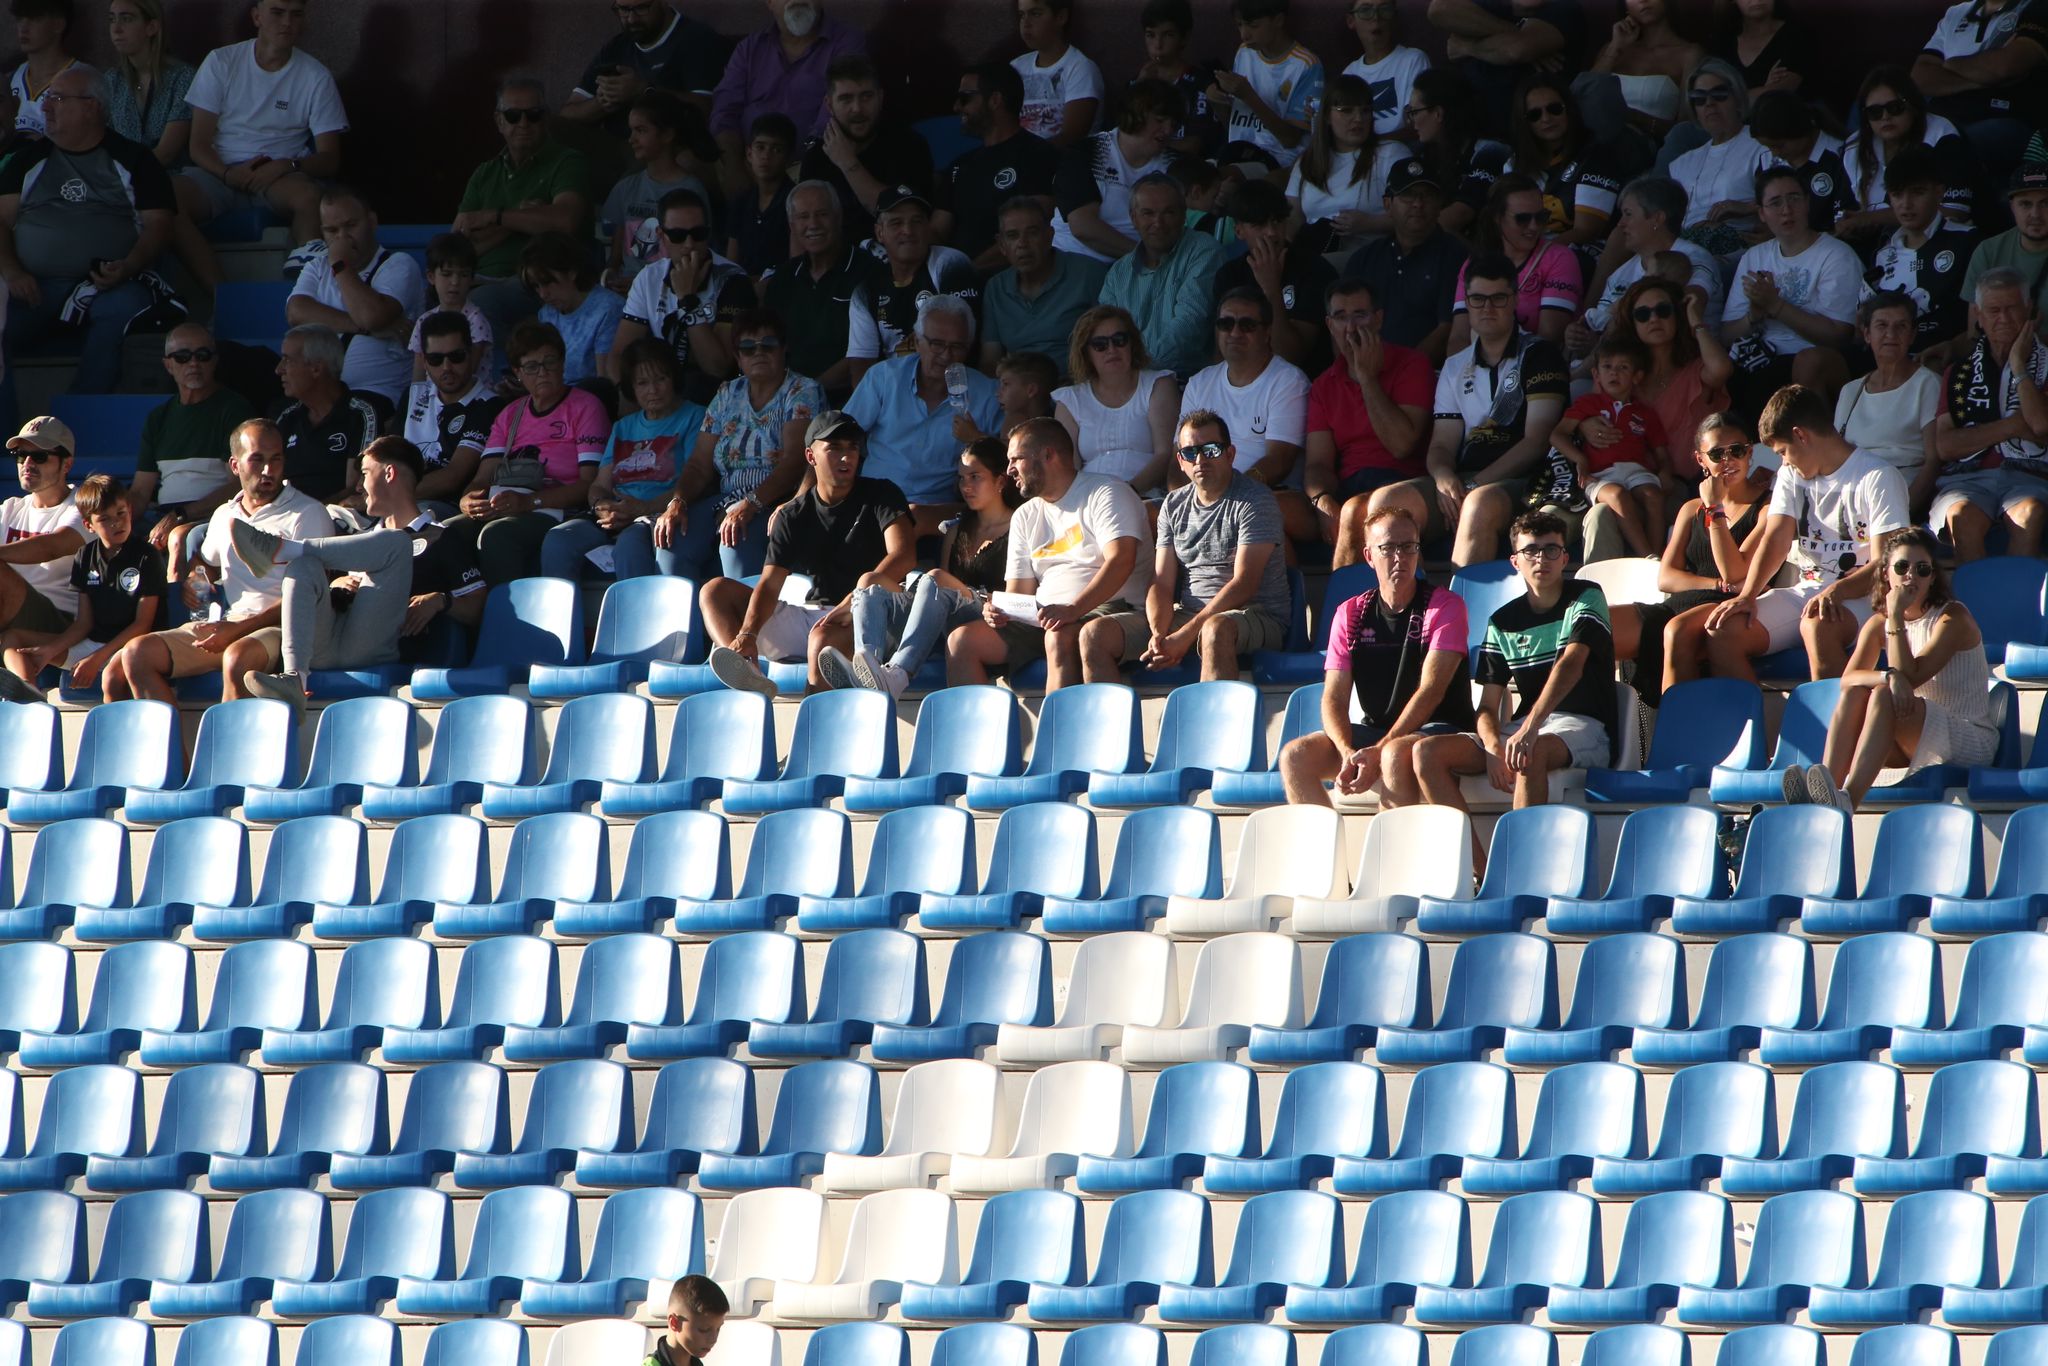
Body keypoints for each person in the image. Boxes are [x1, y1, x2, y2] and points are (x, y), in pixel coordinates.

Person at [235, 435, 487, 709]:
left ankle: (283, 550)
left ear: (389, 473)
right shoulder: (360, 539)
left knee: (397, 541)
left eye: (365, 473)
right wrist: (337, 585)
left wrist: (440, 600)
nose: (358, 486)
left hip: (380, 649)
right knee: (303, 566)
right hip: (327, 645)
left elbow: (476, 609)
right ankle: (295, 678)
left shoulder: (440, 537)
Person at [1414, 510, 1617, 831]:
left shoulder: (1586, 595)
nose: (1542, 559)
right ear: (1515, 561)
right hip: (1524, 728)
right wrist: (1494, 746)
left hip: (1585, 726)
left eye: (1551, 550)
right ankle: (1476, 869)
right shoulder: (1502, 621)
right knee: (1426, 752)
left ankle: (1517, 869)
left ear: (1565, 558)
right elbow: (1487, 706)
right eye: (1531, 551)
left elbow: (1571, 665)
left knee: (1529, 751)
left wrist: (1529, 729)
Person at [115, 418, 334, 702]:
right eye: (257, 459)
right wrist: (195, 578)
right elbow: (206, 563)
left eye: (276, 459)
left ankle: (227, 747)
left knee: (236, 658)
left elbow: (309, 597)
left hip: (283, 631)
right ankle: (177, 748)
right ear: (235, 466)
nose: (268, 470)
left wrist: (236, 630)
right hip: (232, 624)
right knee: (136, 655)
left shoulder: (308, 513)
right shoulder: (224, 514)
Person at [1704, 383, 1910, 682]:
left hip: (1866, 597)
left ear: (1801, 435)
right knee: (1722, 629)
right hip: (1809, 591)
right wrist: (1748, 595)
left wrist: (1836, 591)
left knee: (1817, 625)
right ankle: (1760, 726)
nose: (1783, 462)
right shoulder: (1790, 474)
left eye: (1784, 451)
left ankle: (1835, 726)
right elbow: (1775, 538)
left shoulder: (1878, 476)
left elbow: (1888, 565)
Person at [702, 409, 914, 694]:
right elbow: (769, 584)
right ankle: (746, 667)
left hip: (869, 615)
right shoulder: (793, 514)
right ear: (811, 456)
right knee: (714, 591)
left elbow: (903, 556)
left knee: (822, 639)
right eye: (834, 448)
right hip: (815, 614)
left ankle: (815, 730)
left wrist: (856, 597)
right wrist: (747, 635)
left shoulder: (882, 494)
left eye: (852, 448)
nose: (847, 457)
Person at [0, 64, 173, 411]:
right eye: (47, 98)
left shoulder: (135, 160)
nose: (45, 107)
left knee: (122, 307)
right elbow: (1, 223)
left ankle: (77, 416)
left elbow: (159, 226)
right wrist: (13, 272)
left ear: (92, 106)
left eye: (58, 99)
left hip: (107, 284)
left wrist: (128, 266)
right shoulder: (25, 161)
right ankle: (6, 439)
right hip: (35, 287)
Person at [1380, 252, 1570, 567]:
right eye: (1478, 299)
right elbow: (1442, 443)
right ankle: (1393, 610)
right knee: (1387, 503)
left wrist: (1473, 486)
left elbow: (1537, 442)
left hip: (1527, 479)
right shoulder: (1455, 366)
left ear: (1514, 300)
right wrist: (1443, 478)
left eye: (1498, 298)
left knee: (1478, 504)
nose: (1488, 308)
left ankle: (1458, 611)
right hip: (1469, 477)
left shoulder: (1540, 355)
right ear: (1466, 302)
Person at [1279, 503, 1475, 806]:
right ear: (1369, 556)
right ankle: (1321, 850)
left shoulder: (1444, 606)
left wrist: (1380, 747)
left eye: (1409, 547)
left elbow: (1431, 691)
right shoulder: (1351, 612)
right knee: (1295, 756)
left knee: (1394, 754)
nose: (1400, 558)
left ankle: (1391, 852)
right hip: (1377, 730)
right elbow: (1333, 696)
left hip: (1440, 728)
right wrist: (1347, 751)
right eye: (1389, 548)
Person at [1794, 526, 1996, 813]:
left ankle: (1847, 800)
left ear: (1933, 577)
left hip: (1967, 738)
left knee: (1881, 695)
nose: (1911, 575)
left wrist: (1896, 617)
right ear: (1886, 573)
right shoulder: (1878, 623)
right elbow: (1848, 680)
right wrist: (1886, 675)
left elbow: (1909, 677)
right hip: (1911, 730)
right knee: (1857, 694)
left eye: (1922, 569)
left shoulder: (1953, 617)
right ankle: (1827, 794)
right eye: (1902, 566)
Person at [1080, 409, 1290, 681]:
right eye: (1190, 453)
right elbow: (1161, 582)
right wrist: (1158, 634)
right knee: (1094, 635)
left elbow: (1245, 584)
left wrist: (1185, 634)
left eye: (1211, 450)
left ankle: (1213, 724)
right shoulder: (1173, 504)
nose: (1200, 460)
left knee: (1214, 630)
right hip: (1190, 615)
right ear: (1180, 461)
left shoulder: (1255, 500)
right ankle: (1108, 724)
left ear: (1230, 454)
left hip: (1258, 615)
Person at [944, 416, 1148, 690]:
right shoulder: (1025, 515)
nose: (1009, 470)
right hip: (1045, 616)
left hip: (1110, 609)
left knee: (1058, 636)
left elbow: (1121, 561)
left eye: (1016, 459)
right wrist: (1001, 611)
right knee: (962, 641)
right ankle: (975, 733)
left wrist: (1072, 610)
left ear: (1047, 455)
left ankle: (1057, 732)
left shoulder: (1106, 492)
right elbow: (1019, 593)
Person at [822, 436, 1018, 696]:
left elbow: (1015, 590)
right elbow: (944, 595)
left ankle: (897, 675)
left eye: (975, 477)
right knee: (870, 582)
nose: (966, 486)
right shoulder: (957, 529)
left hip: (988, 612)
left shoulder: (1019, 525)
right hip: (947, 613)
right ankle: (867, 666)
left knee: (934, 576)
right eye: (961, 478)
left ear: (1000, 481)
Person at [654, 307, 818, 582]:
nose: (759, 353)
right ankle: (686, 625)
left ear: (783, 350)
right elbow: (698, 464)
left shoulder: (802, 390)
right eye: (748, 347)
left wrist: (751, 503)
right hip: (726, 497)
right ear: (737, 357)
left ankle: (743, 623)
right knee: (670, 541)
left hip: (774, 498)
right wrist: (677, 502)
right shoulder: (727, 393)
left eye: (768, 345)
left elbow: (794, 461)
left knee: (735, 539)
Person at [182, 0, 343, 268]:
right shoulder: (221, 61)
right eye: (278, 12)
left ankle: (306, 289)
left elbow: (330, 158)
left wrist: (286, 166)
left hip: (279, 177)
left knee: (310, 198)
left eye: (296, 14)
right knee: (165, 201)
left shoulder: (316, 76)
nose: (287, 22)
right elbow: (198, 145)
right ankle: (218, 295)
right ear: (257, 17)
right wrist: (227, 173)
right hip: (220, 173)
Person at [450, 321, 612, 585]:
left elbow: (589, 483)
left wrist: (530, 502)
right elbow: (482, 478)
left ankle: (507, 620)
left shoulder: (585, 407)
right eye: (532, 367)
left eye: (550, 362)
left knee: (497, 535)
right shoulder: (510, 414)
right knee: (448, 532)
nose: (543, 373)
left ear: (562, 363)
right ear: (517, 373)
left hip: (557, 510)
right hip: (504, 503)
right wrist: (468, 500)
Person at [541, 340, 704, 581]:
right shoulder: (622, 427)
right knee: (558, 539)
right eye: (642, 383)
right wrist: (602, 508)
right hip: (617, 513)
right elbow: (599, 484)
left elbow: (695, 479)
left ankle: (635, 618)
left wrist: (642, 509)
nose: (653, 390)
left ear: (674, 379)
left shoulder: (695, 417)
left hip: (660, 512)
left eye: (660, 379)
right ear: (632, 388)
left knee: (630, 543)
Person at [843, 294, 1000, 535]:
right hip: (873, 506)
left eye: (956, 346)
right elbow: (839, 437)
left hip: (939, 513)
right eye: (937, 344)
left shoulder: (986, 393)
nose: (946, 355)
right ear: (917, 342)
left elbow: (1006, 463)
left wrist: (976, 440)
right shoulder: (884, 378)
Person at [453, 76, 592, 345]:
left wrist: (492, 217)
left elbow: (564, 221)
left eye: (534, 115)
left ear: (546, 118)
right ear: (499, 121)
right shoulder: (485, 173)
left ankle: (512, 381)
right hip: (481, 277)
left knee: (480, 302)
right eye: (514, 115)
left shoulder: (568, 162)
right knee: (439, 296)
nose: (524, 124)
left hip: (540, 281)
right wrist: (516, 218)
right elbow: (460, 249)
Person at [1, 474, 161, 702]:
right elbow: (83, 623)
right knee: (13, 639)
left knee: (111, 678)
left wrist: (96, 658)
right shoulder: (85, 557)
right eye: (105, 519)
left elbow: (142, 624)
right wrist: (51, 650)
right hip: (91, 644)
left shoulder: (146, 555)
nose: (116, 523)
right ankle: (29, 696)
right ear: (89, 526)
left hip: (130, 646)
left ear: (130, 510)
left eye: (121, 513)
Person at [1307, 278, 1434, 565]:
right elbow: (1317, 463)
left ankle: (1339, 610)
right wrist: (1323, 500)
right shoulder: (1323, 385)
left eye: (1359, 315)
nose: (1350, 327)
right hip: (1347, 484)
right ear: (1329, 325)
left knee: (1353, 511)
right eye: (1340, 317)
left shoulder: (1412, 364)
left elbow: (1401, 445)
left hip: (1403, 482)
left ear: (1378, 319)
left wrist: (1367, 376)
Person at [1648, 410, 1777, 691]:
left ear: (1750, 453)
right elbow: (1666, 578)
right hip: (1689, 600)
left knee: (1675, 631)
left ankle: (1674, 730)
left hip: (1733, 605)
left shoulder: (1768, 508)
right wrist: (1718, 583)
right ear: (1701, 459)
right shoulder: (1690, 508)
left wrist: (1715, 509)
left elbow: (1736, 570)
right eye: (1718, 454)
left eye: (1737, 451)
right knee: (1603, 626)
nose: (1729, 461)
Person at [1928, 267, 2048, 559]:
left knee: (2029, 515)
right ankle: (1972, 605)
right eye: (1994, 310)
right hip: (1967, 480)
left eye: (2012, 309)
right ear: (1979, 316)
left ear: (2029, 310)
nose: (2003, 319)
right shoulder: (1959, 373)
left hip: (2030, 477)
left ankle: (2017, 601)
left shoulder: (2046, 363)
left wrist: (2019, 365)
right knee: (1962, 517)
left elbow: (2042, 427)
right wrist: (2013, 425)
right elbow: (1945, 446)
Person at [1719, 163, 1861, 408]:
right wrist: (1753, 316)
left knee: (1795, 369)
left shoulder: (1836, 255)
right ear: (1761, 213)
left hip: (1808, 358)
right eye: (1775, 203)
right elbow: (1727, 335)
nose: (1786, 210)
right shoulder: (1754, 256)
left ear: (1807, 202)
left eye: (1794, 199)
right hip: (1759, 358)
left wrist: (1776, 306)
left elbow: (1839, 336)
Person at [1181, 287, 1314, 540]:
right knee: (1143, 515)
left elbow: (1279, 461)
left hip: (1272, 494)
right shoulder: (1199, 383)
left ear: (1267, 332)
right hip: (1205, 495)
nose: (1235, 332)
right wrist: (1183, 502)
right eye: (1226, 323)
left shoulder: (1288, 381)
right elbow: (1180, 460)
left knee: (1251, 515)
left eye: (1247, 325)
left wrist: (1228, 495)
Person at [102, 0, 216, 290]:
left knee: (158, 205)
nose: (116, 28)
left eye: (127, 19)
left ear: (152, 27)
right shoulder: (111, 82)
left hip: (176, 176)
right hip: (123, 182)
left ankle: (214, 296)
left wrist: (123, 182)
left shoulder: (183, 78)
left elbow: (166, 153)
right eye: (112, 19)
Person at [285, 185, 426, 406]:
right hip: (321, 395)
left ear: (372, 221)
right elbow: (296, 312)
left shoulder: (399, 264)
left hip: (377, 395)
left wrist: (341, 265)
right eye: (332, 231)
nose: (343, 238)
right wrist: (364, 328)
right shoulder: (317, 266)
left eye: (350, 226)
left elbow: (372, 316)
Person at [710, 0, 864, 191]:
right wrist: (735, 166)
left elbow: (835, 116)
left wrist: (778, 170)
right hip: (744, 162)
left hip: (807, 166)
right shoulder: (749, 49)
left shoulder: (845, 44)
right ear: (770, 3)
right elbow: (724, 112)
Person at [133, 324, 254, 556]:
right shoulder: (158, 417)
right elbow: (140, 492)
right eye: (182, 357)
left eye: (202, 355)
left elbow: (239, 485)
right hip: (165, 518)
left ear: (215, 360)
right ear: (168, 365)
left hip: (213, 518)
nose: (193, 363)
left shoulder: (234, 410)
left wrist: (182, 515)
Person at [614, 188, 746, 396]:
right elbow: (621, 353)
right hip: (659, 389)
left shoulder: (732, 279)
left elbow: (718, 368)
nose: (689, 244)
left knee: (695, 384)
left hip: (715, 394)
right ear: (661, 236)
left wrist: (687, 299)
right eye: (678, 235)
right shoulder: (648, 277)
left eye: (698, 234)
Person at [1552, 336, 1672, 556]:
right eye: (1607, 367)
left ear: (1637, 377)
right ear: (1596, 374)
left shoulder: (1645, 413)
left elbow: (1661, 452)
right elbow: (1557, 435)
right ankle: (1648, 557)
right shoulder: (1588, 404)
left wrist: (1665, 471)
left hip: (1637, 471)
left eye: (1623, 368)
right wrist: (1580, 459)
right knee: (1617, 495)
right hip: (1598, 475)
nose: (1614, 373)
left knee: (1653, 496)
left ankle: (1659, 558)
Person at [795, 54, 933, 244]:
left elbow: (900, 217)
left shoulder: (909, 146)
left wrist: (847, 162)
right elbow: (800, 230)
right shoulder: (816, 157)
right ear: (829, 105)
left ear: (881, 97)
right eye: (846, 99)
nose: (857, 109)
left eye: (866, 97)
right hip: (835, 264)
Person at [846, 185, 979, 383]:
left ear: (928, 227)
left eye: (916, 221)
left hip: (952, 383)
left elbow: (960, 341)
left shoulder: (949, 263)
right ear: (880, 233)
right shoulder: (865, 291)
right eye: (896, 223)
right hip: (893, 390)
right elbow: (861, 361)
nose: (907, 231)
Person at [1343, 156, 1468, 365]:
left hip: (1428, 376)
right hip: (1365, 371)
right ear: (1387, 204)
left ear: (1439, 205)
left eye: (1427, 196)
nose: (1418, 204)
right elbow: (1342, 324)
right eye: (1408, 195)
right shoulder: (1363, 259)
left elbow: (1447, 328)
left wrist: (1405, 372)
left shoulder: (1456, 256)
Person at [1099, 174, 1224, 379]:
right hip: (1128, 380)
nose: (1158, 223)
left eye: (1169, 213)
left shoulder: (1204, 251)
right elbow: (1105, 332)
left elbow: (1189, 325)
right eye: (1148, 213)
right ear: (1133, 218)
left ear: (1184, 215)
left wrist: (1136, 370)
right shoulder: (1118, 272)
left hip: (1187, 381)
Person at [1602, 275, 1732, 473]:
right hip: (1624, 480)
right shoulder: (1621, 373)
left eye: (1663, 311)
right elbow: (1593, 410)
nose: (1654, 319)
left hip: (1682, 488)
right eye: (1643, 314)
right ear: (1632, 323)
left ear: (1677, 316)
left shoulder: (1696, 370)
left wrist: (1695, 321)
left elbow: (1721, 368)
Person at [938, 61, 1060, 271]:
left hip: (1010, 282)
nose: (957, 107)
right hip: (955, 284)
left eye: (965, 98)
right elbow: (937, 230)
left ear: (995, 100)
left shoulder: (1039, 156)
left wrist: (968, 273)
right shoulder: (960, 165)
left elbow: (1032, 233)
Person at [1910, 0, 2048, 185]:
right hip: (1945, 115)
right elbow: (1920, 76)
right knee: (1869, 113)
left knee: (1949, 146)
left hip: (2003, 118)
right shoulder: (1956, 13)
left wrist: (1949, 64)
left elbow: (2006, 66)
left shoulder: (2036, 6)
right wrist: (1985, 79)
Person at [1859, 146, 1976, 365]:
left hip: (1944, 364)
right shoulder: (1883, 253)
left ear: (1939, 192)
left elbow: (1982, 324)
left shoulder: (1968, 241)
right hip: (1886, 364)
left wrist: (1954, 347)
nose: (1906, 204)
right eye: (1897, 194)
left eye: (1917, 192)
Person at [1446, 173, 1581, 354]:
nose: (1533, 226)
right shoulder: (1475, 263)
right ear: (1497, 217)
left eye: (1541, 217)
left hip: (1534, 369)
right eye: (1523, 219)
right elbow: (1459, 337)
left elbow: (1549, 337)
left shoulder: (1559, 259)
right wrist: (1462, 377)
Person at [1048, 77, 1180, 262]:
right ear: (1136, 115)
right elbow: (1083, 227)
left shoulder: (1173, 163)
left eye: (1173, 125)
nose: (1167, 130)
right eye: (1159, 121)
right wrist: (1146, 256)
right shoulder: (1087, 152)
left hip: (1137, 268)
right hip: (1077, 259)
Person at [1576, 176, 1721, 343]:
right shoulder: (1620, 273)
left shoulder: (1694, 258)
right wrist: (1581, 336)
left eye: (1628, 214)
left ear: (1657, 219)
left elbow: (1688, 311)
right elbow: (1600, 326)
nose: (1620, 224)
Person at [598, 88, 716, 291]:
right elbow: (615, 248)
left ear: (667, 135)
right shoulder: (627, 187)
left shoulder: (691, 190)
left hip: (670, 290)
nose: (631, 138)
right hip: (626, 292)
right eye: (631, 130)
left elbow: (697, 252)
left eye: (641, 130)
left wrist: (645, 284)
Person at [1837, 68, 1975, 239]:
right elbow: (1844, 214)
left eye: (1895, 108)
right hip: (1876, 246)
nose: (1885, 117)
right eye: (1875, 112)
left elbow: (1954, 211)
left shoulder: (1941, 135)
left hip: (1940, 241)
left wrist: (1871, 218)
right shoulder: (1854, 147)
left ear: (1913, 105)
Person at [1053, 305, 1179, 493]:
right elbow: (1069, 469)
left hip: (1147, 497)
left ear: (1132, 344)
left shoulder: (1158, 385)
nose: (1111, 349)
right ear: (1085, 352)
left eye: (1119, 340)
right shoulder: (1069, 400)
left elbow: (1166, 454)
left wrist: (1127, 494)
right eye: (1100, 344)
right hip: (1089, 502)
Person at [1213, 178, 1333, 374]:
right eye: (1260, 224)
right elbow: (1221, 351)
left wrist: (1271, 288)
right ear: (1239, 230)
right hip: (1243, 382)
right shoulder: (1229, 274)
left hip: (1301, 384)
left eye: (1277, 221)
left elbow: (1290, 357)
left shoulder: (1315, 270)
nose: (1271, 232)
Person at [978, 196, 1106, 380]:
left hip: (1078, 389)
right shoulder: (995, 288)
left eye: (1032, 233)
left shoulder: (1089, 273)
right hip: (1020, 394)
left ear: (1049, 236)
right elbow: (990, 361)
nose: (1023, 243)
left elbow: (1109, 345)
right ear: (1002, 245)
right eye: (1013, 236)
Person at [0, 417, 86, 681]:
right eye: (20, 455)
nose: (27, 464)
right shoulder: (11, 508)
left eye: (38, 456)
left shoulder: (83, 506)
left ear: (66, 464)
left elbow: (53, 546)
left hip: (58, 623)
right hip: (11, 622)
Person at [1836, 292, 1941, 504]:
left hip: (1899, 488)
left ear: (1912, 335)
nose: (1890, 334)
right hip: (1851, 492)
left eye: (1900, 326)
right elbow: (1836, 457)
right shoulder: (1850, 391)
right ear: (1867, 334)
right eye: (1881, 326)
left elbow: (1934, 461)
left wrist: (1905, 511)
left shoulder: (1928, 384)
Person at [561, 0, 730, 130]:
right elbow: (567, 114)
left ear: (662, 2)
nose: (632, 19)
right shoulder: (616, 46)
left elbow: (707, 110)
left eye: (641, 8)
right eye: (624, 9)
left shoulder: (697, 39)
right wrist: (606, 101)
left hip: (668, 151)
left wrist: (644, 92)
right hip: (614, 147)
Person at [760, 180, 861, 396]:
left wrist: (809, 391)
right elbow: (771, 345)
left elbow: (864, 355)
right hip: (788, 397)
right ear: (792, 225)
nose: (813, 224)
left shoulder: (867, 272)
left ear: (838, 216)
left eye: (822, 214)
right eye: (803, 217)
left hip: (847, 398)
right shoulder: (783, 278)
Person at [1505, 76, 1628, 252]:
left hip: (1574, 254)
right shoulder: (1514, 163)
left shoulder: (1596, 156)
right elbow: (1505, 222)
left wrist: (1533, 256)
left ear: (1569, 110)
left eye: (1554, 109)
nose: (1546, 118)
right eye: (1534, 114)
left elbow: (1586, 230)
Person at [1429, 0, 1587, 135]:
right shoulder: (1495, 7)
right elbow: (1438, 9)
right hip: (1471, 130)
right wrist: (1514, 31)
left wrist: (1467, 47)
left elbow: (1516, 50)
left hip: (1528, 133)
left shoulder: (1563, 9)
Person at [1286, 74, 1403, 256]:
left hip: (1367, 254)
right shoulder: (1307, 160)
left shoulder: (1390, 153)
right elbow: (1293, 218)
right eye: (1346, 110)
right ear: (1326, 116)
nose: (1358, 119)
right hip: (1313, 252)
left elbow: (1416, 214)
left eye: (1365, 111)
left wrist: (1370, 223)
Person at [1665, 60, 1773, 257]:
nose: (1709, 103)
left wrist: (1749, 208)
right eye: (1699, 98)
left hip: (1735, 248)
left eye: (1719, 94)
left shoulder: (1762, 146)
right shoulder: (1681, 164)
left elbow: (1785, 200)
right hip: (1683, 250)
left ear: (1738, 99)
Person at [273, 324, 390, 506]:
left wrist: (311, 513)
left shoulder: (360, 415)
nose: (279, 370)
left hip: (336, 521)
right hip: (282, 517)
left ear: (316, 369)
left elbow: (357, 488)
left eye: (287, 360)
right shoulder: (287, 418)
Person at [402, 310, 501, 510]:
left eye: (456, 357)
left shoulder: (490, 405)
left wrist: (390, 494)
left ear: (472, 353)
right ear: (424, 361)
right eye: (436, 359)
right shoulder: (412, 394)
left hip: (443, 506)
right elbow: (388, 456)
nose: (447, 367)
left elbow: (452, 477)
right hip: (398, 498)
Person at [1211, 0, 1321, 170]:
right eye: (1239, 25)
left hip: (1279, 160)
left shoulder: (1305, 65)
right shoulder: (1244, 52)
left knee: (1225, 178)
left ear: (1278, 20)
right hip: (1236, 152)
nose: (1244, 35)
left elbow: (1290, 140)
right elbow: (1232, 123)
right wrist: (1216, 100)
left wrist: (1249, 96)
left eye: (1253, 26)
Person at [1402, 67, 1509, 236]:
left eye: (1414, 112)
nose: (1411, 122)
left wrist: (1408, 234)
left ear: (1438, 113)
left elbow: (1461, 214)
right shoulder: (1423, 155)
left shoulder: (1489, 151)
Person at [523, 233, 626, 388]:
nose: (543, 294)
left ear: (572, 272)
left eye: (548, 282)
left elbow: (605, 384)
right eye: (536, 286)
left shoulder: (609, 309)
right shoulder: (546, 314)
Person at [1589, 0, 1705, 135]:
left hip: (1650, 146)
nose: (1642, 0)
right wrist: (1615, 47)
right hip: (1597, 142)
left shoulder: (1689, 54)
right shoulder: (1612, 49)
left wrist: (1637, 119)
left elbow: (1687, 129)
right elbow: (1585, 93)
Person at [1748, 91, 1854, 234]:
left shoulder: (1842, 156)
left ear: (1800, 130)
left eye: (1779, 145)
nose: (1774, 153)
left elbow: (1847, 224)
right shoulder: (1767, 161)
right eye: (1768, 147)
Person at [1135, 0, 1223, 159]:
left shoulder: (1201, 82)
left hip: (1187, 170)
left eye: (1168, 35)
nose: (1158, 44)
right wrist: (1140, 92)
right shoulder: (1138, 82)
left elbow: (1194, 145)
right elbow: (1123, 138)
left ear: (1184, 37)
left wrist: (1146, 144)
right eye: (1151, 35)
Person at [1962, 164, 2048, 326]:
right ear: (2012, 207)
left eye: (2045, 203)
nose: (2036, 214)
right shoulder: (1988, 251)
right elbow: (1975, 332)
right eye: (2025, 204)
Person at [1013, 0, 1102, 148]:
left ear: (1061, 17)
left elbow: (1072, 136)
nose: (1026, 23)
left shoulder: (1080, 68)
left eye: (1035, 14)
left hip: (1062, 163)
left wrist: (1026, 159)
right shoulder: (1016, 66)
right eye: (1022, 15)